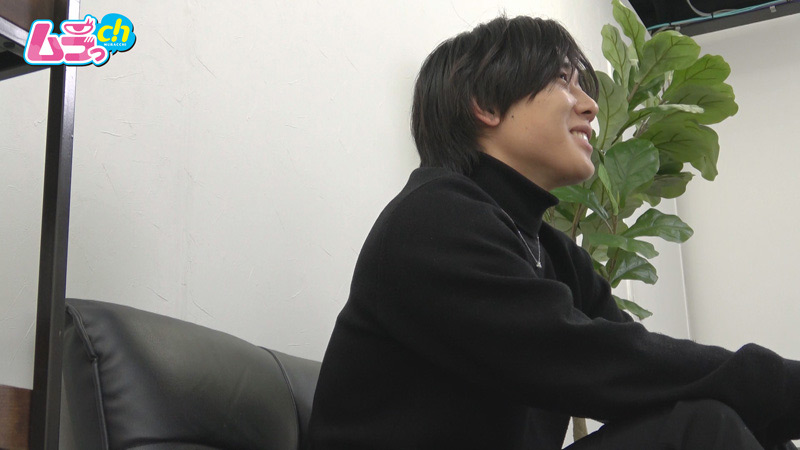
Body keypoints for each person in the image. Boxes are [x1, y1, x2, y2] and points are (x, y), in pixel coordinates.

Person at [307, 15, 800, 450]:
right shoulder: (431, 220)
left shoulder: (553, 252)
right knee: (703, 428)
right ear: (486, 104)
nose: (590, 106)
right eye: (564, 80)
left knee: (730, 412)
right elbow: (596, 362)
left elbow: (642, 365)